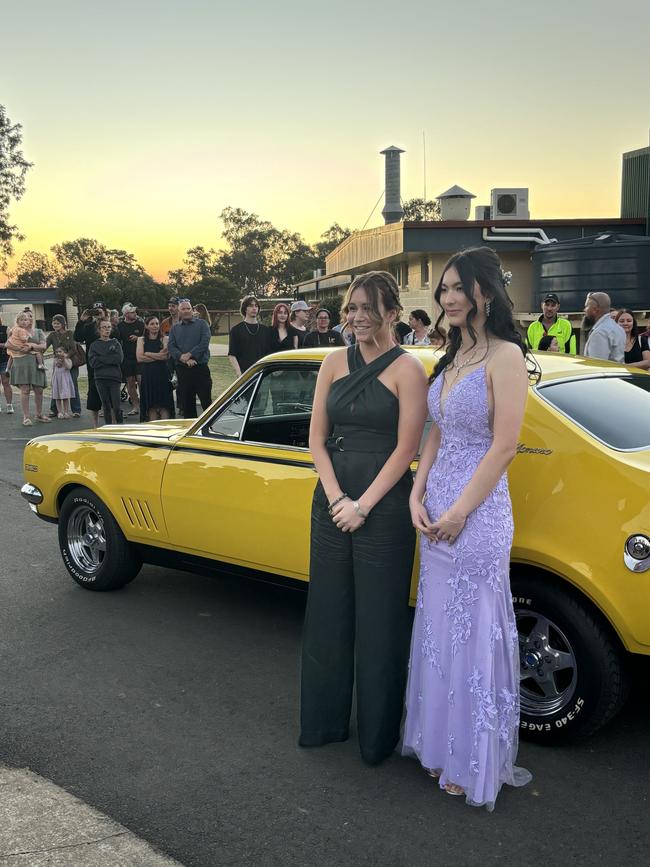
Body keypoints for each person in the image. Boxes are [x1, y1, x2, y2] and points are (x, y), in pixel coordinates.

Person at [402, 246, 532, 810]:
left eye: (457, 288)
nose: (448, 298)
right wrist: (417, 489)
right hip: (435, 508)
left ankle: (473, 761)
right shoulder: (451, 355)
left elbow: (504, 445)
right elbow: (436, 431)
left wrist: (459, 513)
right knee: (437, 630)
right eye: (443, 290)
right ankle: (442, 748)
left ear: (483, 291)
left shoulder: (505, 356)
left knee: (472, 631)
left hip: (479, 516)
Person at [300, 271, 428, 765]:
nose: (354, 318)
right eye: (350, 309)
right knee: (327, 616)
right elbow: (316, 439)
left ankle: (377, 739)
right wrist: (337, 499)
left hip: (383, 508)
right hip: (331, 503)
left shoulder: (407, 370)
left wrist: (364, 505)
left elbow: (407, 449)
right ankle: (323, 723)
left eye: (365, 309)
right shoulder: (333, 362)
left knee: (380, 623)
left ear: (392, 313)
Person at [168, 298, 212, 418]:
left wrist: (190, 355)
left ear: (192, 310)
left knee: (206, 402)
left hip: (200, 369)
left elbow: (204, 342)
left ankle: (212, 429)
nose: (186, 311)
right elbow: (171, 346)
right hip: (183, 371)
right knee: (187, 405)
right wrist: (183, 358)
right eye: (183, 309)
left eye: (188, 308)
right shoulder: (174, 328)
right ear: (179, 311)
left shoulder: (202, 324)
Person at [7, 311, 50, 425]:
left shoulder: (38, 331)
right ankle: (26, 417)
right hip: (21, 362)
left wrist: (31, 346)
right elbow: (8, 344)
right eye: (26, 317)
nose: (28, 319)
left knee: (39, 390)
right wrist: (21, 349)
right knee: (25, 390)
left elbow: (44, 346)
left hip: (36, 363)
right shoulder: (15, 330)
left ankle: (39, 414)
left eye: (30, 316)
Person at [75, 303, 112, 428]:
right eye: (95, 311)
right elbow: (77, 337)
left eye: (99, 311)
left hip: (109, 365)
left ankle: (111, 424)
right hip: (94, 366)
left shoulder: (109, 325)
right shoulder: (89, 326)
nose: (97, 314)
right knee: (94, 394)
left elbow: (115, 335)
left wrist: (104, 319)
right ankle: (95, 425)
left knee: (110, 394)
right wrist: (81, 321)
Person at [136, 315, 175, 421]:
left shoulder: (165, 339)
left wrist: (148, 353)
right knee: (151, 405)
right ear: (146, 326)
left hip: (162, 375)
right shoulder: (141, 340)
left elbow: (166, 356)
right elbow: (139, 358)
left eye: (157, 323)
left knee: (164, 404)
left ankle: (165, 430)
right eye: (152, 324)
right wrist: (158, 356)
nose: (155, 326)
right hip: (148, 375)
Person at [88, 319, 124, 424]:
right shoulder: (94, 345)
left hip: (114, 378)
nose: (107, 329)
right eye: (104, 327)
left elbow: (118, 359)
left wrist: (101, 357)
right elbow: (93, 363)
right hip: (100, 378)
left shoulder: (115, 343)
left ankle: (120, 427)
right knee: (106, 405)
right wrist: (109, 357)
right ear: (99, 330)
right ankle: (108, 427)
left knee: (116, 406)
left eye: (109, 327)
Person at [46, 315, 82, 417]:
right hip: (58, 364)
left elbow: (74, 348)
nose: (56, 325)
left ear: (63, 324)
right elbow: (45, 346)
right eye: (54, 323)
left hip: (70, 362)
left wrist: (65, 356)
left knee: (72, 384)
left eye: (58, 323)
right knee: (56, 384)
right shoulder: (52, 335)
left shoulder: (69, 333)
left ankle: (76, 410)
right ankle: (55, 410)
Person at [228, 295, 272, 376]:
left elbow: (269, 354)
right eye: (251, 306)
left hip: (263, 375)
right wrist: (239, 373)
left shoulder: (266, 330)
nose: (254, 308)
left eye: (256, 306)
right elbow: (232, 355)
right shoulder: (236, 330)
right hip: (244, 375)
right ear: (245, 308)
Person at [117, 303, 144, 416]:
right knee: (130, 383)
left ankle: (145, 404)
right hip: (126, 358)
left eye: (135, 311)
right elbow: (117, 341)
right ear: (126, 314)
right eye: (132, 312)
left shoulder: (141, 324)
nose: (135, 313)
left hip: (139, 357)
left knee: (141, 380)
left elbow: (147, 337)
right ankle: (135, 406)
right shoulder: (120, 326)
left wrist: (138, 338)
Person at [583, 292, 625, 362]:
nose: (584, 310)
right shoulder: (618, 328)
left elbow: (597, 365)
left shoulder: (600, 333)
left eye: (586, 307)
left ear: (595, 310)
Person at [50, 347, 76, 418]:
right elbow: (53, 370)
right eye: (57, 352)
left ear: (64, 352)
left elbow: (69, 367)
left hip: (65, 380)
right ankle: (60, 412)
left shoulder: (68, 360)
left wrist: (64, 359)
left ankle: (66, 412)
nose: (58, 353)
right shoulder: (55, 360)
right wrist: (52, 380)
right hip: (57, 379)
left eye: (60, 351)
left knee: (65, 397)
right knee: (57, 397)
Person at [0, 314, 15, 413]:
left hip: (4, 359)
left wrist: (3, 345)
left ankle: (9, 405)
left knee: (6, 382)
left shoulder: (5, 329)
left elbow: (12, 343)